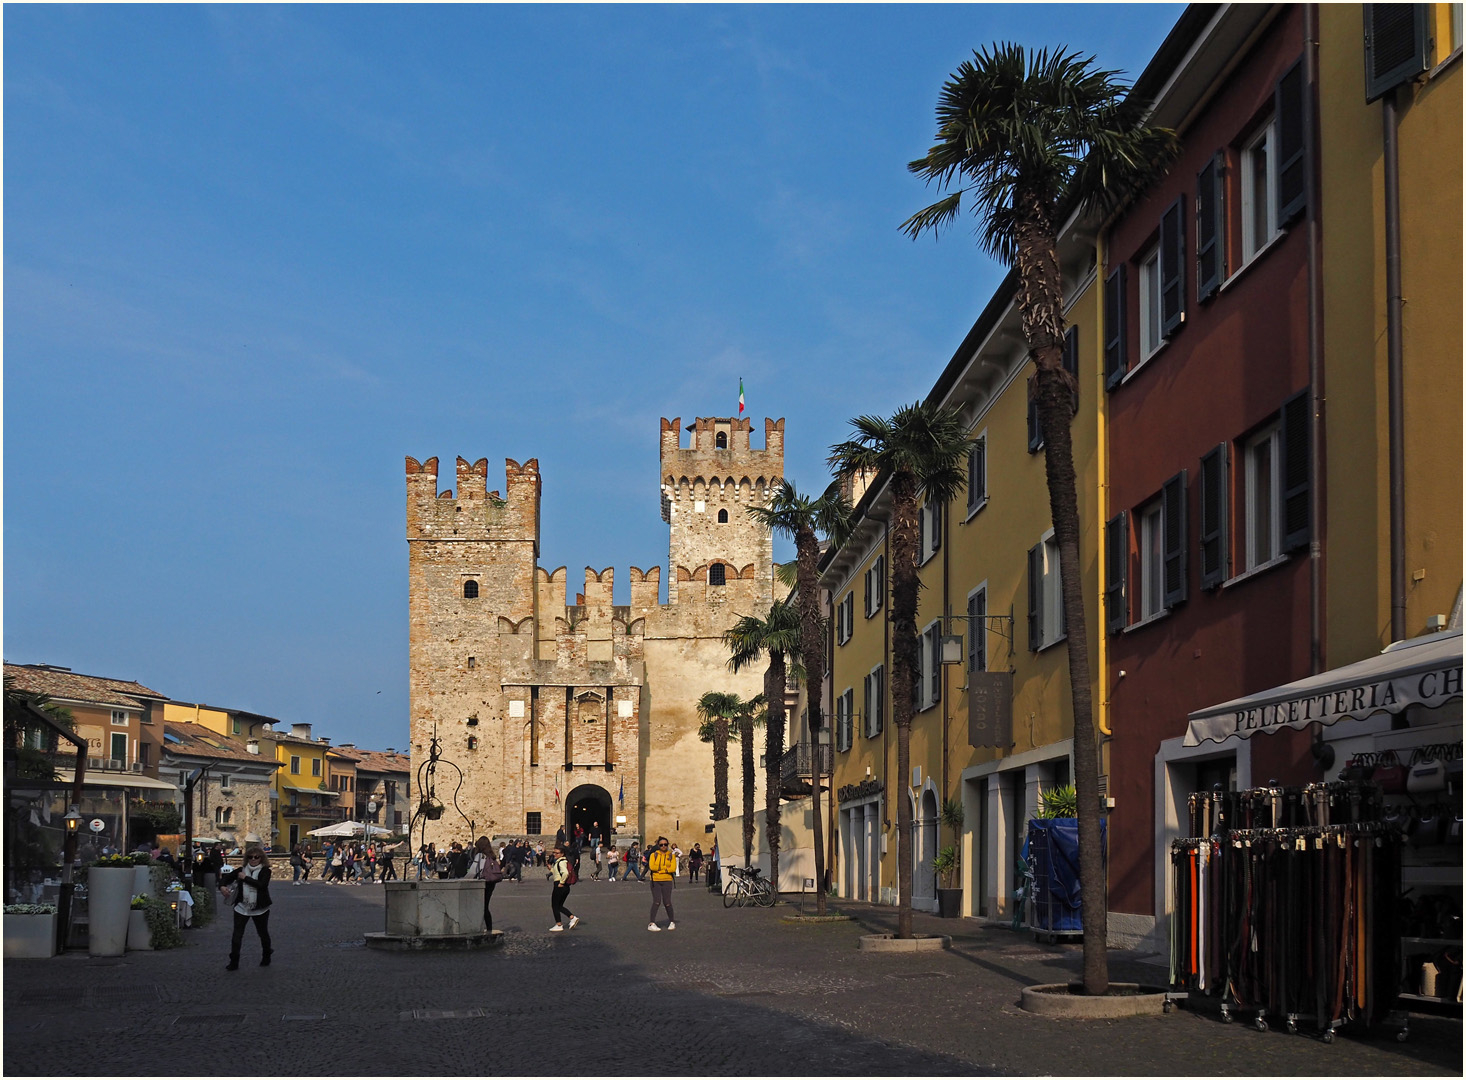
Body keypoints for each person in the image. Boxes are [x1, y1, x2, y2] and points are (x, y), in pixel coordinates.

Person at [222, 846, 272, 970]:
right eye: (250, 857)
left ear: (261, 858)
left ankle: (267, 954)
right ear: (246, 858)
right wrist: (222, 886)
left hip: (260, 908)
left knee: (263, 933)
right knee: (237, 935)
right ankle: (234, 961)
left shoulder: (265, 871)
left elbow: (262, 885)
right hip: (241, 907)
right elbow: (225, 878)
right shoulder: (240, 870)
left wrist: (245, 878)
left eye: (256, 857)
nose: (253, 859)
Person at [471, 836, 502, 935]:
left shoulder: (480, 856)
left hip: (482, 882)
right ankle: (489, 928)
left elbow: (474, 870)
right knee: (485, 906)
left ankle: (477, 927)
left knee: (480, 906)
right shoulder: (491, 855)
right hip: (491, 883)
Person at [547, 844, 579, 933]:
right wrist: (551, 869)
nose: (555, 854)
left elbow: (565, 873)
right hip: (565, 887)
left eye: (557, 853)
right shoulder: (561, 862)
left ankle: (559, 924)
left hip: (560, 885)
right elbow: (557, 873)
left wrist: (561, 883)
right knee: (559, 906)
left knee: (554, 906)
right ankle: (572, 918)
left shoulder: (561, 862)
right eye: (554, 852)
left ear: (562, 854)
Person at [647, 836, 676, 931]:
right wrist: (665, 869)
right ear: (658, 845)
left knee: (667, 902)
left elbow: (673, 868)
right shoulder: (653, 855)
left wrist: (660, 869)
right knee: (656, 901)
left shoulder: (671, 855)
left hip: (667, 880)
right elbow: (652, 866)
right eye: (661, 845)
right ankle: (651, 923)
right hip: (655, 881)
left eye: (665, 844)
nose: (663, 846)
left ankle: (672, 921)